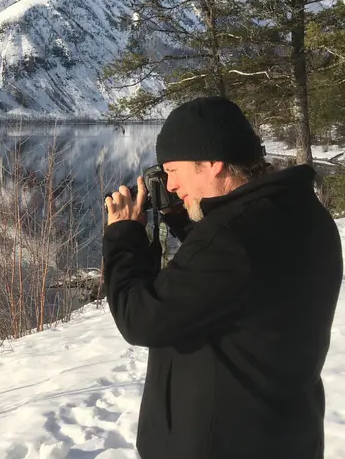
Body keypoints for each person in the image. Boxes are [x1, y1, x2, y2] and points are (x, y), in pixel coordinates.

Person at [102, 96, 343, 459]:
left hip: (218, 443)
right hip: (282, 433)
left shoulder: (232, 240)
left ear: (212, 163)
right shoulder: (297, 212)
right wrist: (180, 217)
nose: (170, 183)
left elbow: (140, 319)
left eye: (173, 170)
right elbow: (235, 279)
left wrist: (123, 235)